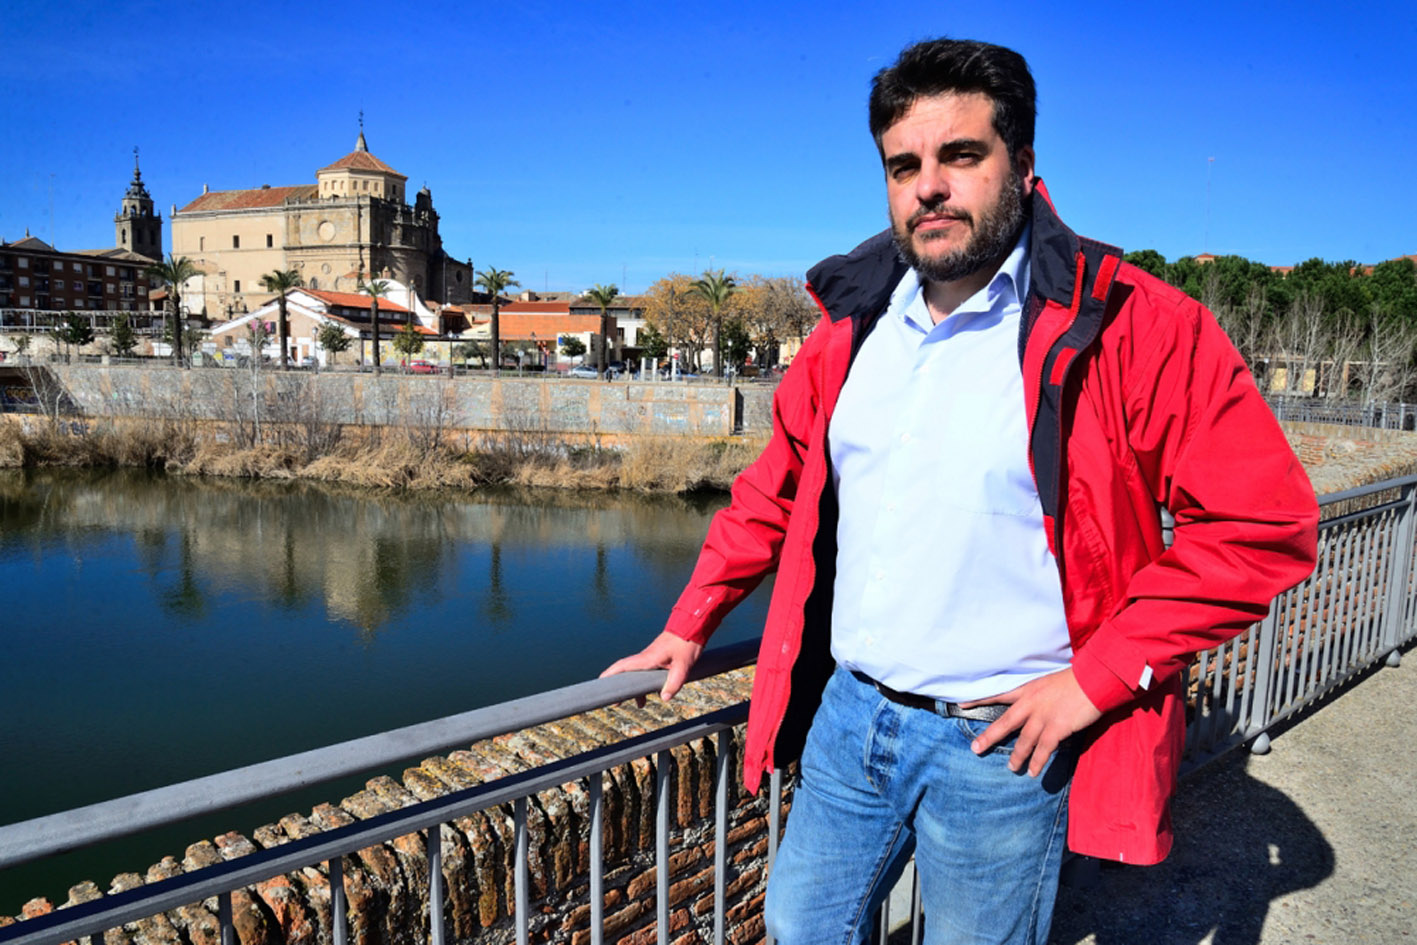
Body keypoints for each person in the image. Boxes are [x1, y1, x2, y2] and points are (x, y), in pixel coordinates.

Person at [603, 37, 1318, 945]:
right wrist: (688, 620)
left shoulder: (1134, 323)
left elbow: (1264, 526)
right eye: (903, 166)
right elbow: (773, 489)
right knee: (798, 925)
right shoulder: (850, 329)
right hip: (850, 714)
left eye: (960, 156)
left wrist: (1094, 681)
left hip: (1002, 743)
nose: (928, 187)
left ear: (1021, 163)